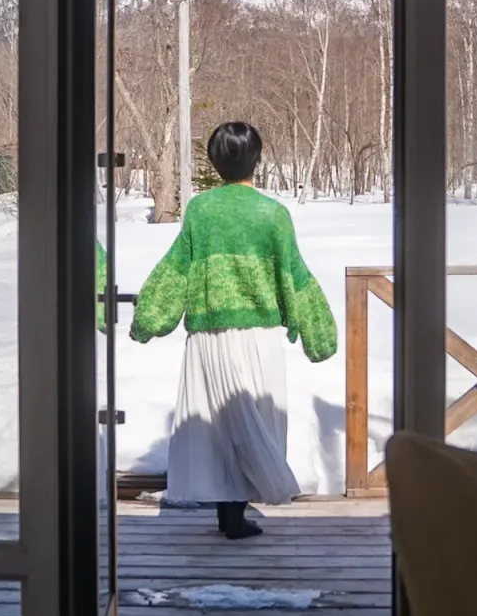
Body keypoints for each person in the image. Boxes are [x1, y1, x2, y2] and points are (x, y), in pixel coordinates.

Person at [130, 122, 337, 539]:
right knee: (256, 421)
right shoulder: (273, 214)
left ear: (214, 161)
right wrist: (319, 334)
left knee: (216, 426)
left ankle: (227, 516)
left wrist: (149, 317)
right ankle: (236, 513)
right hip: (258, 337)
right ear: (257, 160)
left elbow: (177, 269)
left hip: (209, 337)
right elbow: (293, 274)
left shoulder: (201, 211)